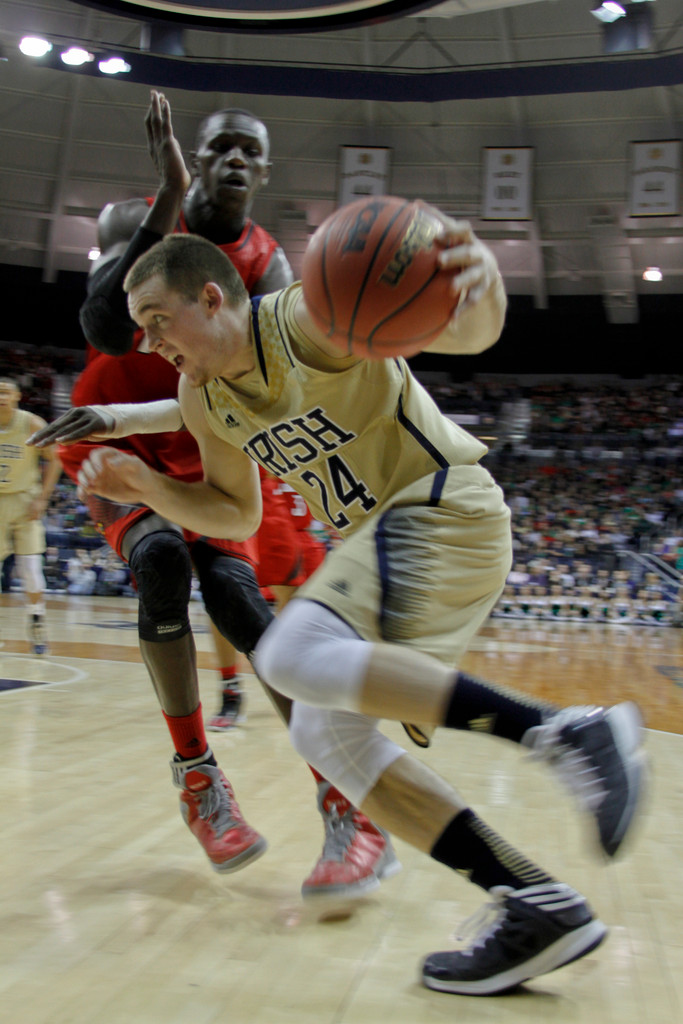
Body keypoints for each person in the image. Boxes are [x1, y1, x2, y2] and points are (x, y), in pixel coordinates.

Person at [32, 217, 646, 995]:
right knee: (325, 734)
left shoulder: (300, 321)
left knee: (288, 656)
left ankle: (569, 733)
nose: (150, 343)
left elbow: (464, 334)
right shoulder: (204, 390)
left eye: (158, 322)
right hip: (393, 544)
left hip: (443, 506)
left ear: (211, 297)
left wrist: (482, 289)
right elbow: (235, 514)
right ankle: (535, 900)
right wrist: (150, 486)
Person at [48, 91, 396, 897]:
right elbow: (105, 330)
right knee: (162, 559)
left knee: (243, 606)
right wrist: (166, 194)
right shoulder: (130, 221)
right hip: (112, 432)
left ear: (263, 171)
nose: (235, 160)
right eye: (220, 148)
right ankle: (198, 777)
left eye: (250, 150)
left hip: (198, 435)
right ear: (194, 158)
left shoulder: (268, 266)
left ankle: (344, 800)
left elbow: (277, 384)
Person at [0, 377, 62, 654]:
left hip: (25, 499)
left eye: (6, 392)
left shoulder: (32, 424)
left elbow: (56, 458)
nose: (1, 396)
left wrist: (42, 498)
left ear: (17, 397)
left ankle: (37, 621)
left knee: (31, 569)